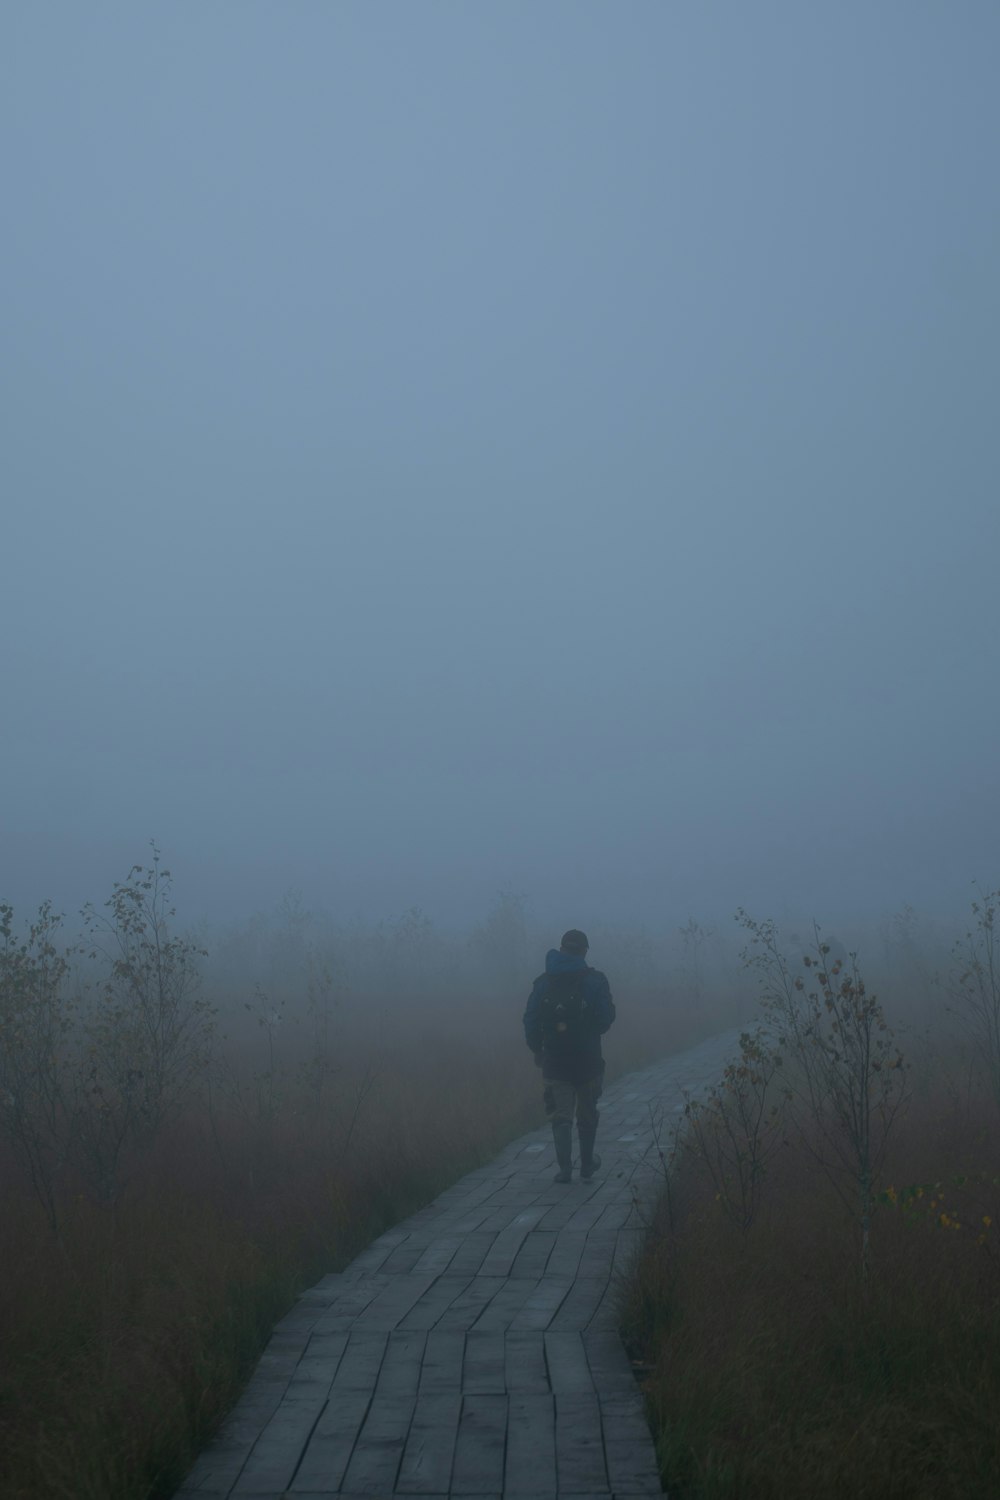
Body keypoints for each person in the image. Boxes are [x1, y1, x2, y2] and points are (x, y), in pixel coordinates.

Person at [523, 929, 616, 1183]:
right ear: (584, 951)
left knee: (560, 1116)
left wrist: (538, 1050)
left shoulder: (543, 982)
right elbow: (607, 1017)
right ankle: (586, 1164)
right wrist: (590, 1035)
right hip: (588, 1060)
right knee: (587, 1113)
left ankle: (565, 1170)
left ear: (561, 949)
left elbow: (530, 1020)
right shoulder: (595, 980)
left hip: (555, 1061)